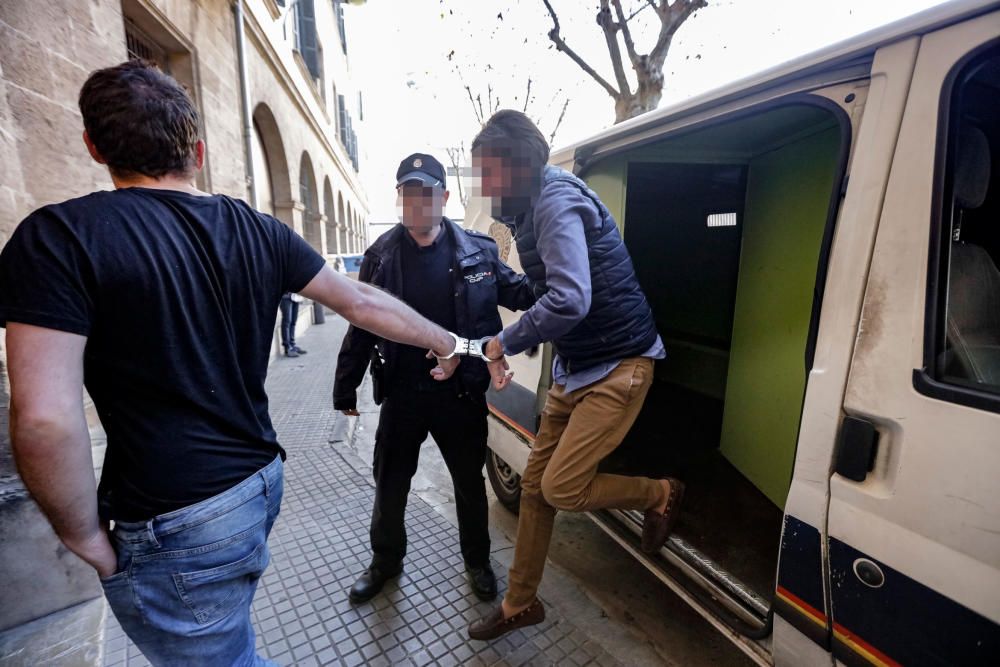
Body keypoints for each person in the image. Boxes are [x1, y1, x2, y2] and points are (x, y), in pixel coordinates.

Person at [0, 60, 491, 666]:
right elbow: (361, 304)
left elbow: (45, 419)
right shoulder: (259, 230)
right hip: (257, 482)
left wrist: (81, 538)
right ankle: (381, 562)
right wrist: (439, 342)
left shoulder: (58, 238)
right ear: (199, 152)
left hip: (173, 516)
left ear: (94, 146)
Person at [466, 110, 685, 640]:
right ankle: (520, 603)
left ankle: (658, 494)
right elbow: (543, 288)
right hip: (574, 368)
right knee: (536, 491)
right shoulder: (523, 209)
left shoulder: (557, 201)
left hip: (618, 366)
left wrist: (503, 342)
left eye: (487, 172)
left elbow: (569, 298)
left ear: (517, 167)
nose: (482, 185)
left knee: (561, 487)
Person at [334, 153, 535, 604]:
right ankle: (385, 562)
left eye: (426, 193)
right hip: (403, 394)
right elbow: (361, 321)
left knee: (468, 482)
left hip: (460, 392)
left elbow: (521, 292)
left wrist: (558, 275)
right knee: (390, 483)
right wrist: (346, 385)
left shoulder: (478, 251)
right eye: (409, 193)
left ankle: (478, 561)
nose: (417, 203)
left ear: (443, 198)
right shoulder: (381, 256)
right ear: (399, 198)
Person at [279, 291, 307, 357]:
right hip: (285, 297)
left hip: (296, 297)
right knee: (287, 322)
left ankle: (292, 344)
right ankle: (287, 347)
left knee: (293, 322)